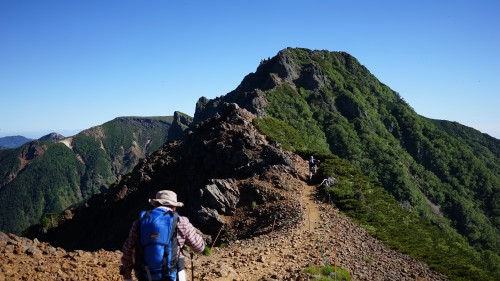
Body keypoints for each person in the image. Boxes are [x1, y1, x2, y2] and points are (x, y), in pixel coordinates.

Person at [120, 190, 206, 281]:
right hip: (173, 275)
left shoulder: (140, 221)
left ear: (156, 204)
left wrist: (127, 274)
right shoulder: (181, 221)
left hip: (145, 275)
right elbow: (199, 247)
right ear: (174, 207)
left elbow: (128, 248)